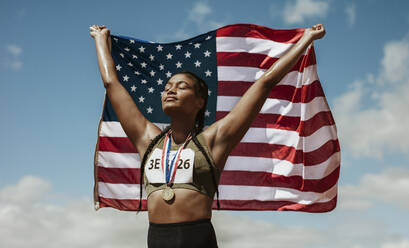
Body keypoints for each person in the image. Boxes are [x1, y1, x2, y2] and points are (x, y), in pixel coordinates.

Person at [90, 23, 326, 248]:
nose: (170, 89)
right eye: (167, 87)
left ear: (200, 102)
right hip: (157, 239)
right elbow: (112, 84)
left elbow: (264, 83)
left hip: (197, 237)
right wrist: (100, 40)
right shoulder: (147, 138)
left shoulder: (214, 140)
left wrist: (305, 40)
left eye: (181, 86)